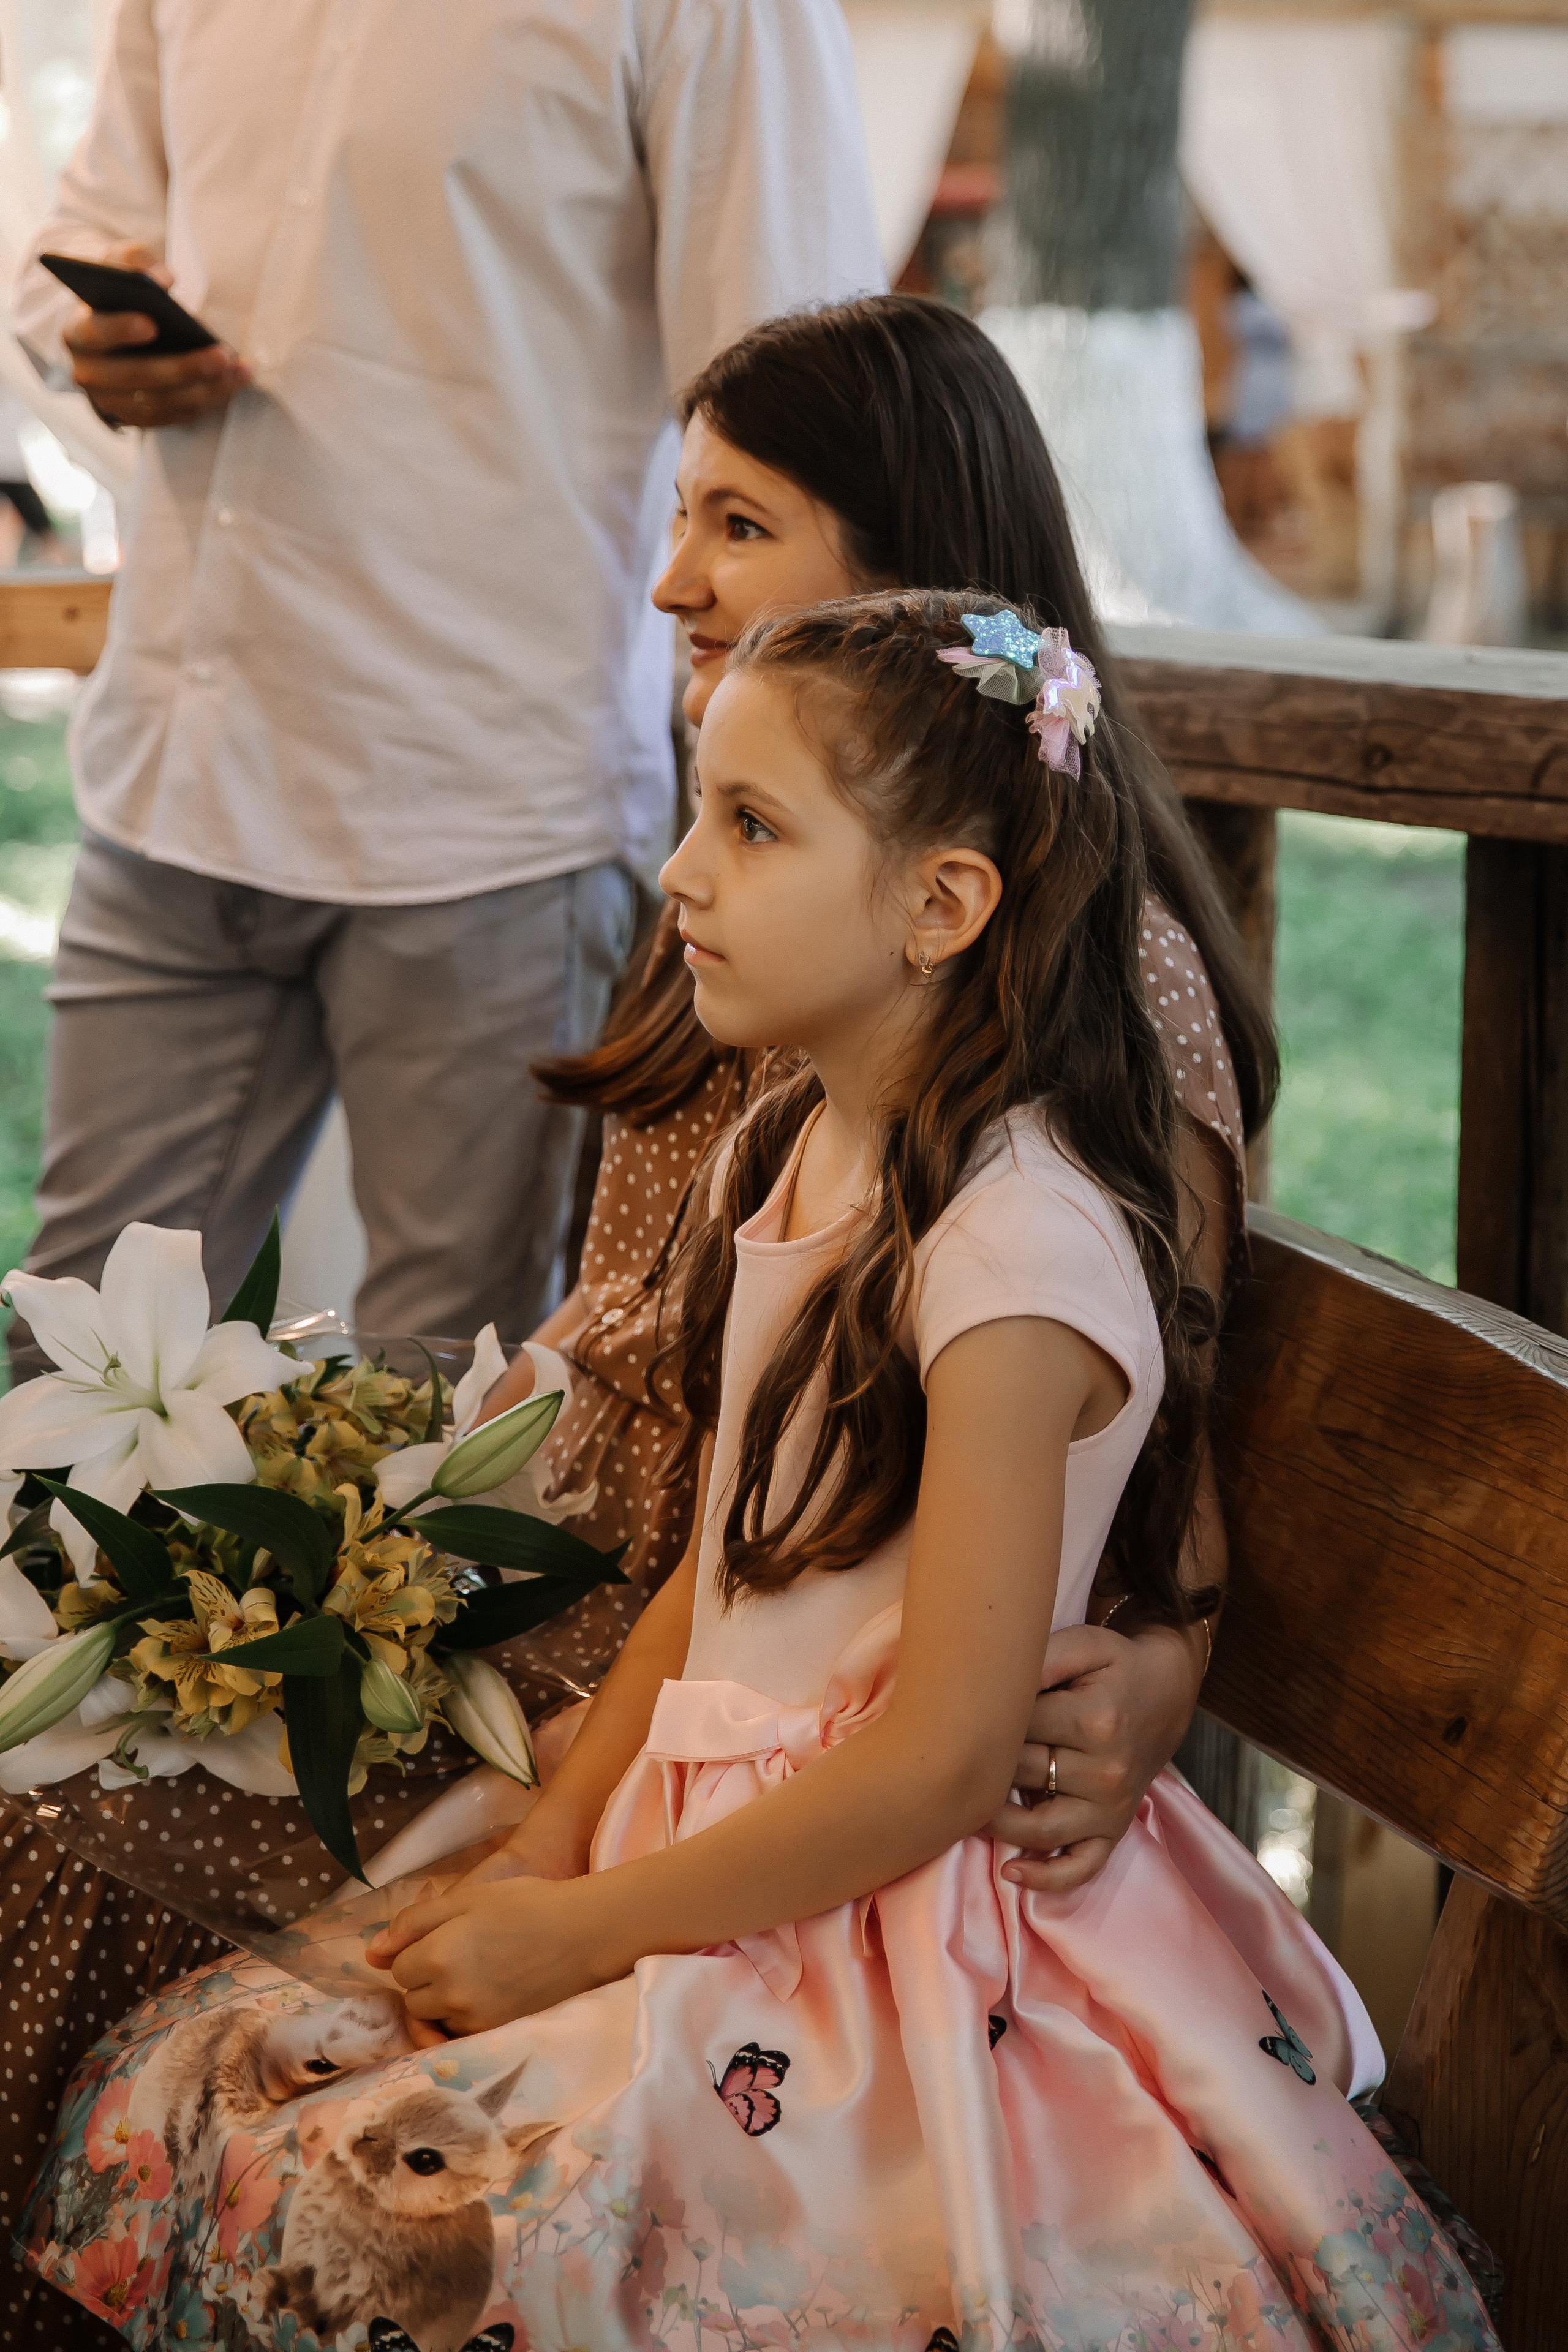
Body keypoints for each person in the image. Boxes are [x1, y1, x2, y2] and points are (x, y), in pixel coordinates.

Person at [22, 590, 1496, 2350]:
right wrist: (547, 1854)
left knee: (448, 2236)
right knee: (198, 2089)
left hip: (899, 1939)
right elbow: (724, 1590)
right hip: (689, 1839)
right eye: (698, 809)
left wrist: (586, 1940)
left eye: (753, 826)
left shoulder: (1014, 1258)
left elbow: (943, 1760)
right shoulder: (787, 1147)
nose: (680, 875)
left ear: (945, 907)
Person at [6, 0, 883, 1384]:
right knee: (77, 1377)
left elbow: (795, 392)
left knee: (443, 1415)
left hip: (488, 796)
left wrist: (770, 772)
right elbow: (78, 248)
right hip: (179, 760)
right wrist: (98, 343)